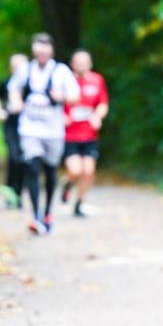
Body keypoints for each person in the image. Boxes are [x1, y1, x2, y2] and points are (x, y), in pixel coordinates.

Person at [8, 33, 80, 235]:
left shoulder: (61, 71)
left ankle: (48, 212)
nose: (42, 52)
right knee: (32, 166)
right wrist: (16, 101)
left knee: (50, 171)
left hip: (53, 130)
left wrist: (62, 96)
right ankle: (35, 216)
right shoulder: (25, 69)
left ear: (51, 50)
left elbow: (75, 96)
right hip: (30, 129)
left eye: (45, 48)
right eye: (38, 48)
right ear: (33, 50)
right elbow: (13, 88)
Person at [61, 49, 109, 217]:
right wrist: (62, 116)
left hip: (89, 135)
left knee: (88, 171)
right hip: (70, 136)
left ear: (90, 64)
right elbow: (56, 103)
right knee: (75, 171)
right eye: (78, 62)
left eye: (84, 62)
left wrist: (97, 116)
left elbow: (103, 103)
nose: (81, 65)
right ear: (72, 64)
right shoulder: (66, 82)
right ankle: (67, 184)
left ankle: (79, 203)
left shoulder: (97, 80)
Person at [0, 53, 28, 207]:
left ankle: (18, 194)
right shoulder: (6, 83)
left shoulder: (31, 84)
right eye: (15, 65)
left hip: (28, 126)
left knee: (22, 160)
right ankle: (11, 194)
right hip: (11, 124)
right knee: (13, 158)